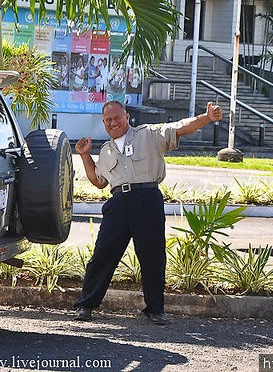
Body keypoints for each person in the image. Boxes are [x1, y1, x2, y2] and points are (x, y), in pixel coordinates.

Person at [74, 100, 222, 325]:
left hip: (147, 198)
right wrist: (85, 155)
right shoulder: (106, 150)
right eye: (108, 120)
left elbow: (181, 127)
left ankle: (155, 309)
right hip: (118, 203)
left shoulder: (149, 134)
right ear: (104, 124)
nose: (114, 123)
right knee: (103, 255)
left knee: (152, 257)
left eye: (117, 117)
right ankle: (85, 305)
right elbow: (98, 181)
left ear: (127, 116)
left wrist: (207, 118)